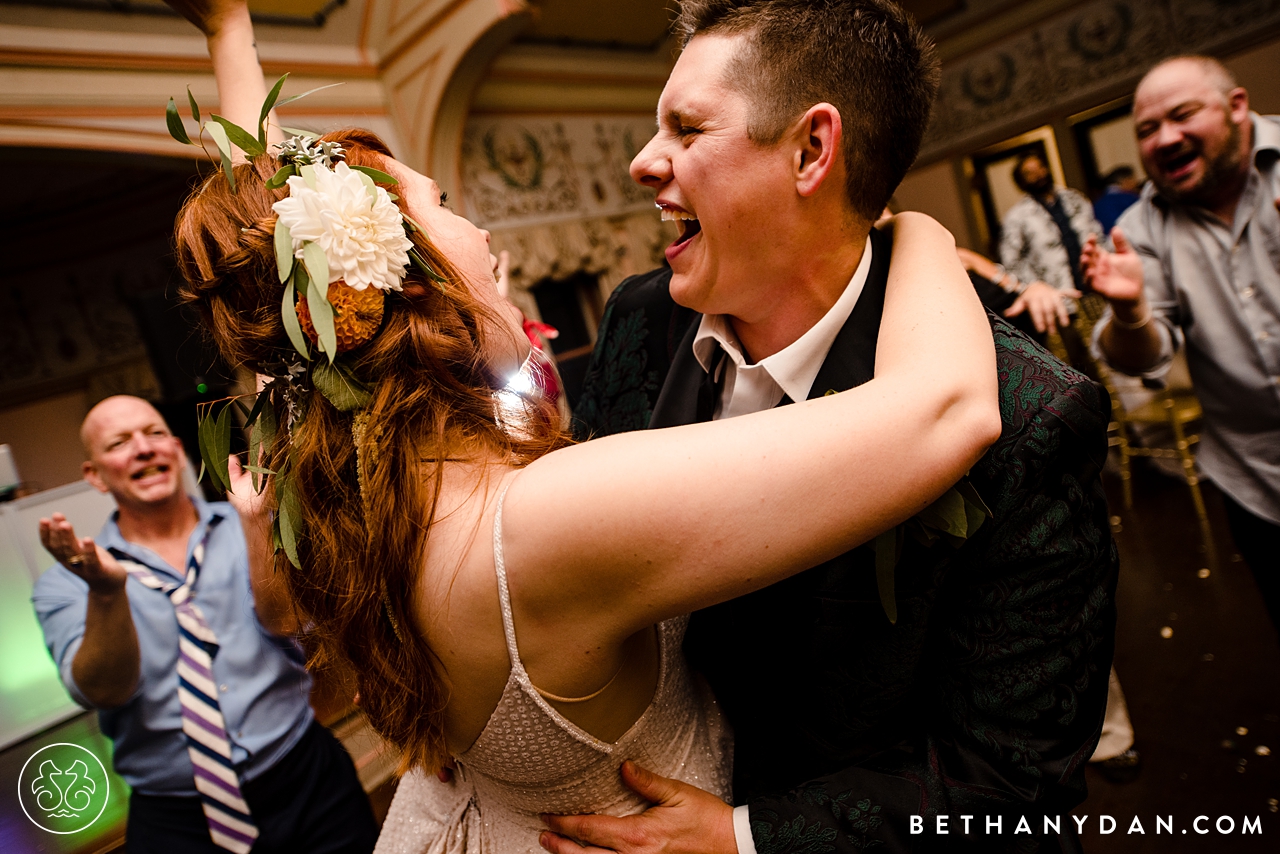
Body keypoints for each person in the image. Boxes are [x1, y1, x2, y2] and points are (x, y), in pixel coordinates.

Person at [161, 2, 1002, 853]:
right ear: (393, 278)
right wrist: (912, 225)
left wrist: (231, 33)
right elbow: (948, 409)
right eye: (444, 205)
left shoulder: (349, 485)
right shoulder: (539, 525)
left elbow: (274, 260)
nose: (481, 229)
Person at [562, 2, 1118, 852]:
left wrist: (746, 839)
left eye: (685, 127)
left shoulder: (1033, 420)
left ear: (812, 150)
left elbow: (1013, 784)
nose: (644, 163)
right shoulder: (640, 319)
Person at [31, 395, 378, 854]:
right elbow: (102, 691)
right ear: (94, 475)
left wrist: (255, 524)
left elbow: (292, 622)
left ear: (176, 448)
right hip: (177, 820)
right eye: (119, 442)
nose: (143, 448)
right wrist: (107, 592)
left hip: (307, 778)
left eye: (154, 434)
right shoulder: (71, 582)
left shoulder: (246, 525)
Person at [1083, 54, 1280, 634]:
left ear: (1237, 107)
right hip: (1257, 480)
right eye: (1146, 129)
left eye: (1182, 115)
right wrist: (1129, 310)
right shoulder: (1140, 229)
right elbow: (1145, 354)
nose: (1165, 138)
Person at [999, 151, 1097, 339]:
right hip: (1060, 301)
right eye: (1030, 173)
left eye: (1041, 168)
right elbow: (1010, 261)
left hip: (1094, 291)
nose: (1039, 175)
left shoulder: (1074, 199)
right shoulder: (1017, 217)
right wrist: (1036, 287)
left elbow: (1097, 235)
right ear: (1021, 182)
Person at [1092, 165, 1143, 233]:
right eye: (1133, 179)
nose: (1136, 183)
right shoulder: (1129, 198)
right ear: (1124, 180)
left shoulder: (1097, 203)